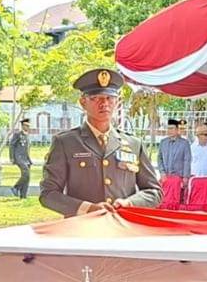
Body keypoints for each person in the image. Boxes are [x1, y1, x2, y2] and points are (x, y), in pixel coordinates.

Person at [39, 68, 162, 217]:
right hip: (83, 229)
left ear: (117, 102)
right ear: (83, 102)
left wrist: (130, 203)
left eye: (109, 98)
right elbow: (48, 194)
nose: (104, 104)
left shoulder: (133, 143)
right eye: (96, 98)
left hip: (122, 227)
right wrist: (87, 208)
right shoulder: (66, 142)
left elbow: (154, 192)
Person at [8, 118, 32, 198]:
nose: (27, 127)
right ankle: (15, 187)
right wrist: (11, 157)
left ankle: (23, 195)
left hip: (26, 158)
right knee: (26, 174)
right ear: (22, 126)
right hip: (19, 157)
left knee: (27, 177)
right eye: (25, 125)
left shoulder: (27, 135)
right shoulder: (17, 134)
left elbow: (27, 148)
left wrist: (29, 159)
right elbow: (12, 145)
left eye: (28, 126)